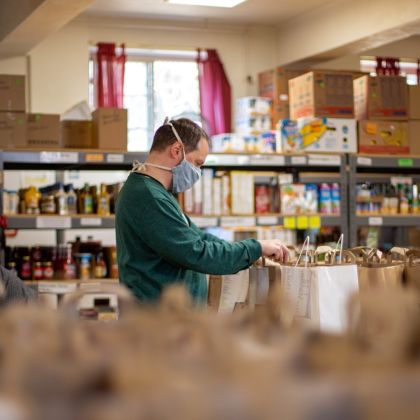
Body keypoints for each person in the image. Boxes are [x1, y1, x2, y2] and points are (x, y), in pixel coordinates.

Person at [116, 118, 288, 306]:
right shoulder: (149, 197)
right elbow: (197, 253)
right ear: (176, 150)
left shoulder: (158, 192)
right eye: (197, 163)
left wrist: (251, 249)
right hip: (158, 322)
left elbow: (199, 238)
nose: (197, 172)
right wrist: (254, 248)